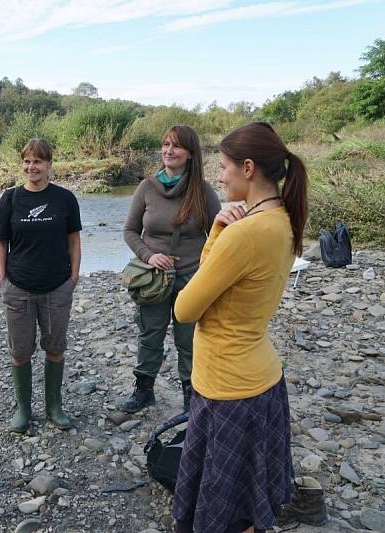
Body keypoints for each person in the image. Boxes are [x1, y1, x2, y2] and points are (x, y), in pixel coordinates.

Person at [172, 122, 310, 532]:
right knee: (250, 506)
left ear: (248, 168)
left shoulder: (244, 233)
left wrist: (216, 234)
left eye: (224, 166)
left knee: (222, 510)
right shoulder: (284, 218)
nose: (219, 175)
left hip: (226, 386)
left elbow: (184, 308)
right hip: (264, 380)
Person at [120, 125, 220, 414]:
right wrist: (149, 256)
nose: (168, 150)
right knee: (149, 334)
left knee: (188, 339)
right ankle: (144, 391)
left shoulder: (202, 191)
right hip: (152, 278)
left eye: (176, 146)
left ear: (190, 154)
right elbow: (129, 231)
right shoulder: (147, 187)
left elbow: (220, 233)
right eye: (165, 144)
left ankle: (192, 395)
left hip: (192, 277)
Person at [0, 138, 82, 433]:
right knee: (20, 352)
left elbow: (74, 241)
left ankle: (54, 407)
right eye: (27, 161)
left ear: (49, 165)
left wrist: (73, 278)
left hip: (57, 286)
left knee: (55, 347)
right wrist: (2, 278)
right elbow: (1, 242)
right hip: (18, 286)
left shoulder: (65, 199)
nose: (32, 167)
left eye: (38, 162)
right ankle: (23, 409)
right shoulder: (10, 199)